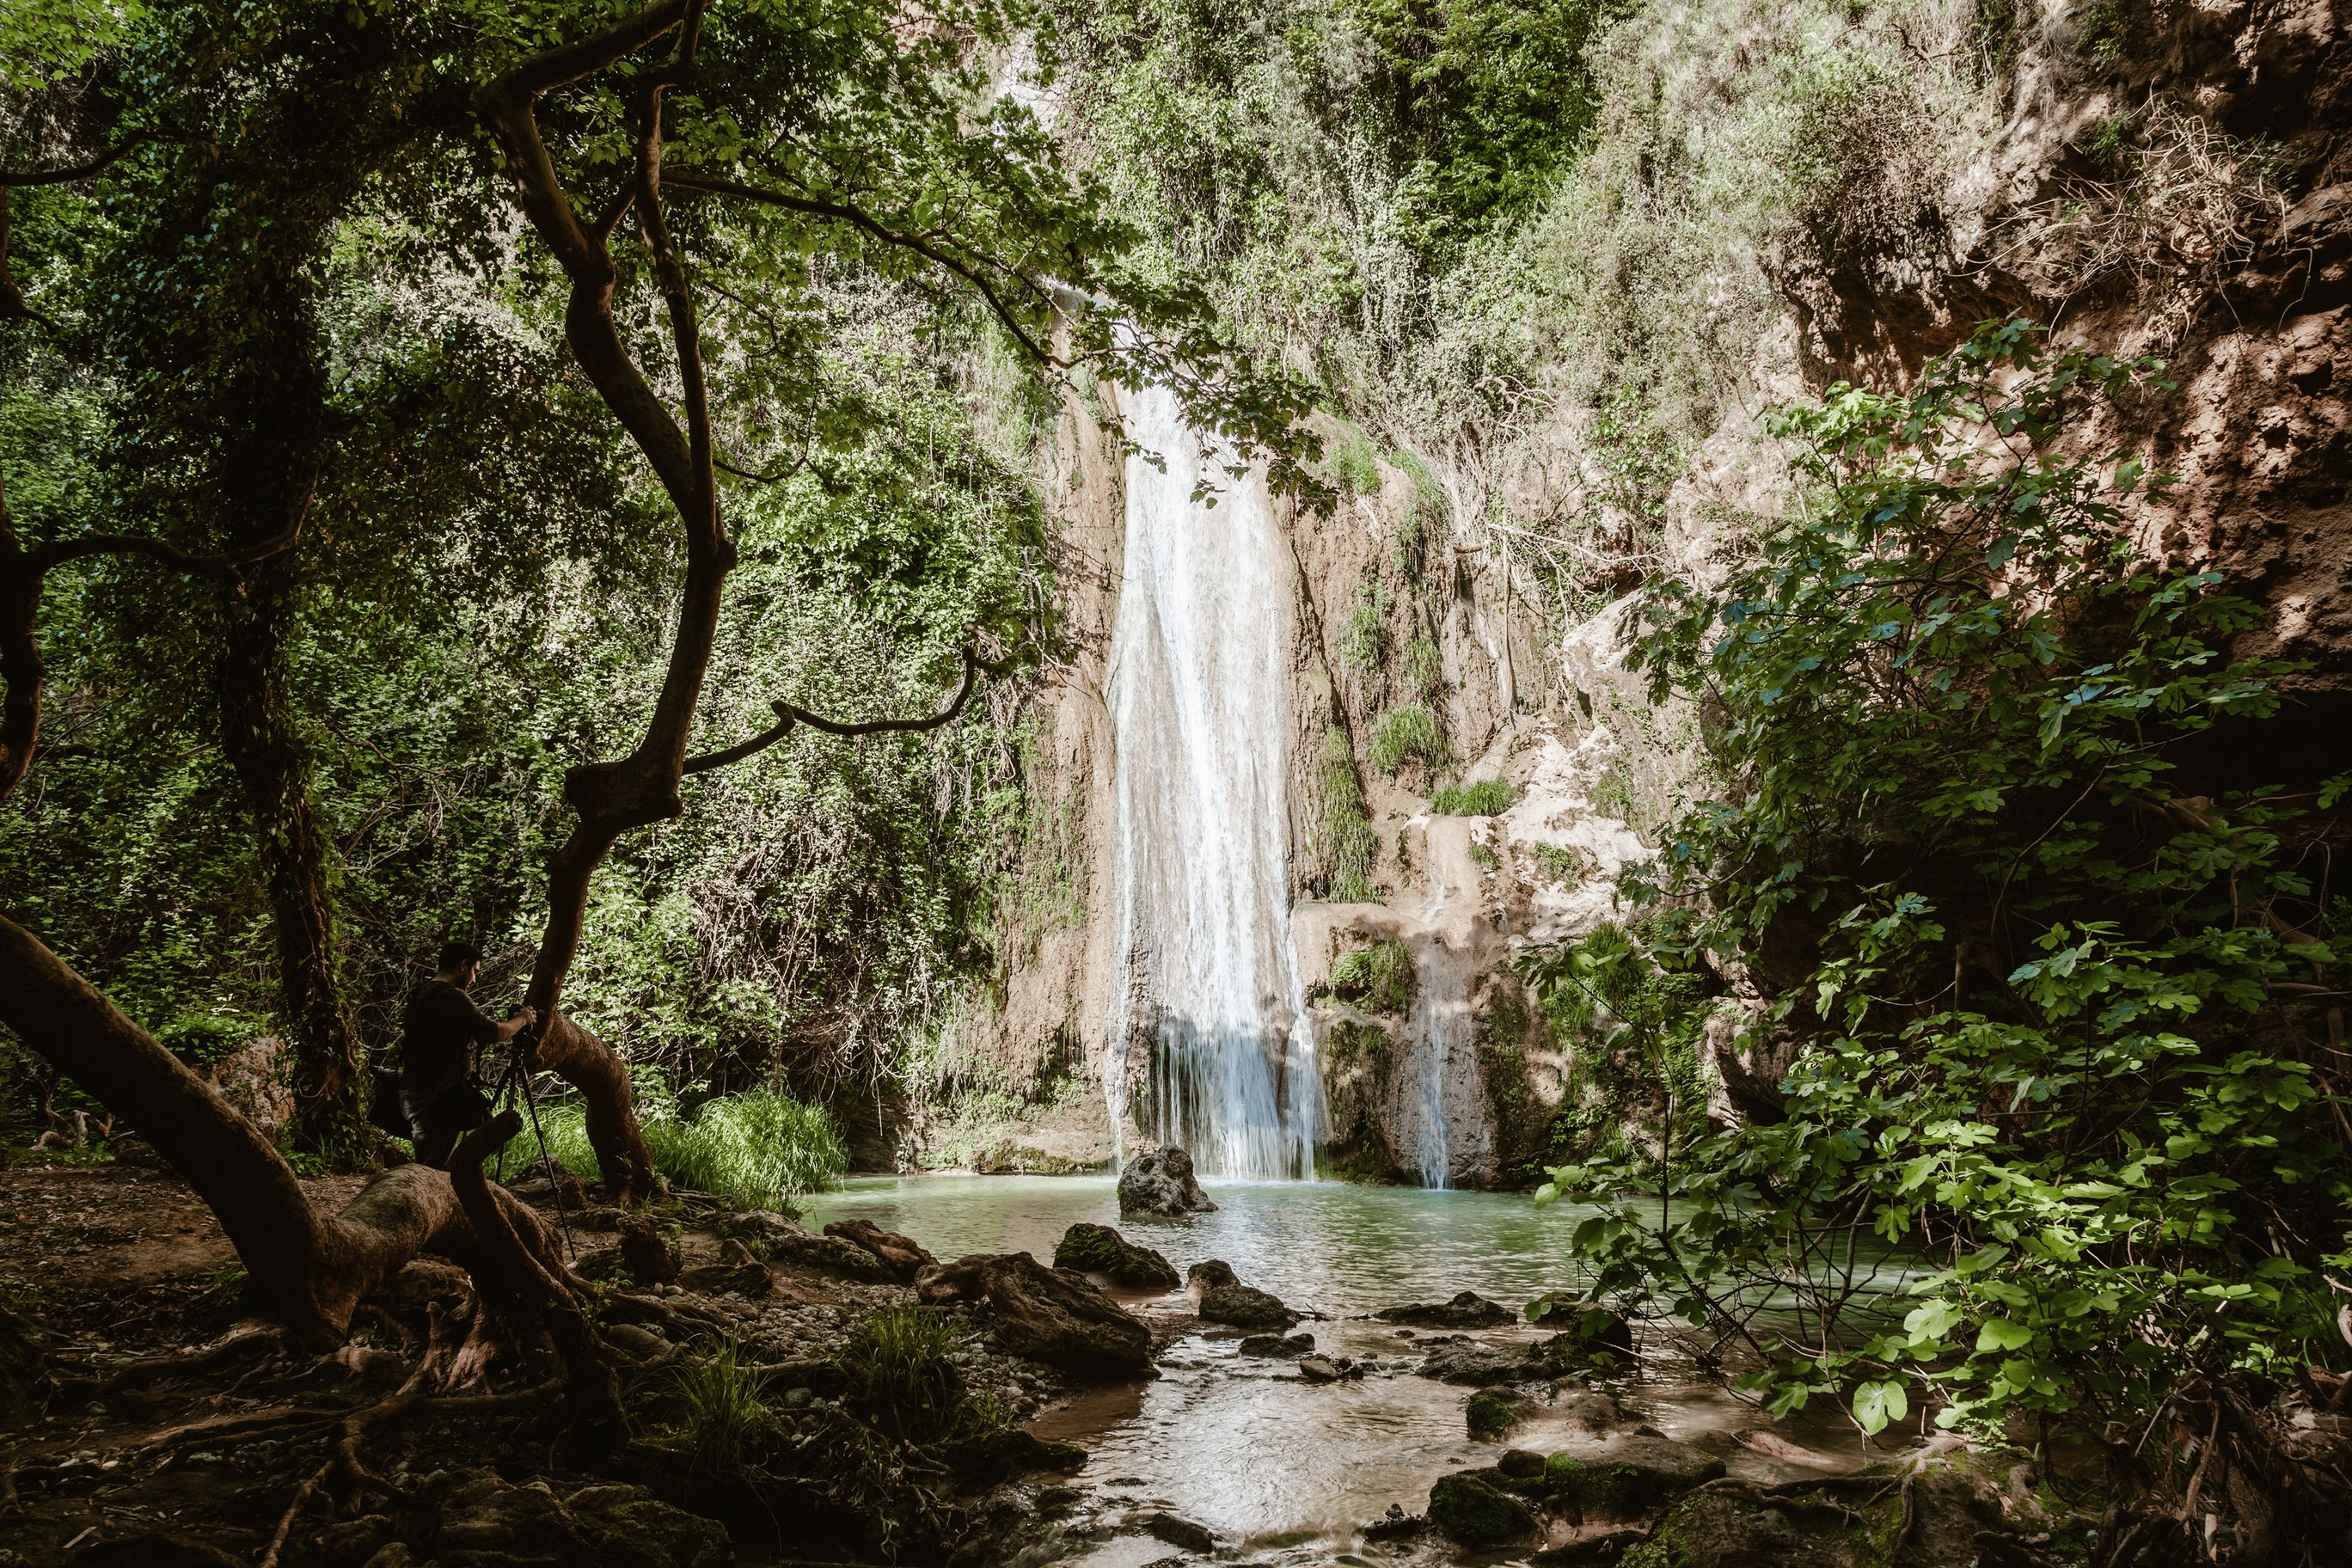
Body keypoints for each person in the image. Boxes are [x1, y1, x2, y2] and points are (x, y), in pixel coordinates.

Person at [400, 940, 536, 1168]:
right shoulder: (451, 996)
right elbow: (493, 1032)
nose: (474, 980)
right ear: (463, 965)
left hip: (420, 1090)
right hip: (433, 1096)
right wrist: (522, 1019)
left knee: (439, 1162)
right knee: (434, 1167)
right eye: (475, 971)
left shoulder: (422, 991)